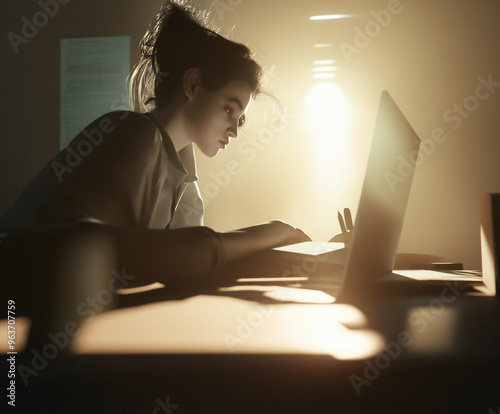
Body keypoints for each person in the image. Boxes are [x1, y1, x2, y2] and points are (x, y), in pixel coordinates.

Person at [0, 0, 309, 297]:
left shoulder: (186, 180)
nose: (234, 130)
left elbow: (190, 261)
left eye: (240, 120)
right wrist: (271, 232)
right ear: (193, 85)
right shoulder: (134, 131)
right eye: (230, 110)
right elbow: (81, 245)